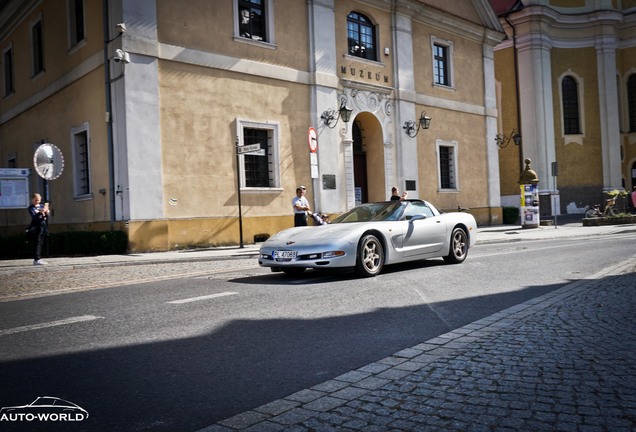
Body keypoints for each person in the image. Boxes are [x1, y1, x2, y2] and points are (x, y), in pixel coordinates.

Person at [27, 193, 49, 265]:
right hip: (36, 226)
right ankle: (36, 259)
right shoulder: (31, 208)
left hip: (43, 225)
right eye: (36, 200)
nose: (37, 202)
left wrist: (46, 212)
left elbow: (45, 216)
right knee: (37, 242)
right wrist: (40, 212)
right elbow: (34, 217)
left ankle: (39, 258)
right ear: (32, 199)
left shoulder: (42, 206)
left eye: (38, 200)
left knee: (41, 242)